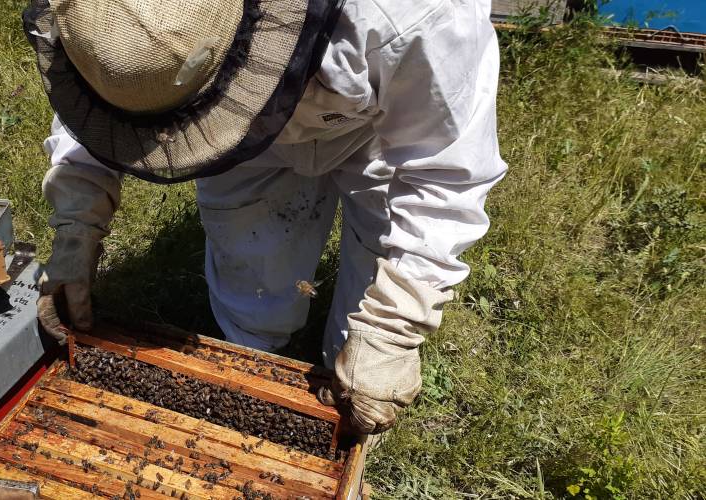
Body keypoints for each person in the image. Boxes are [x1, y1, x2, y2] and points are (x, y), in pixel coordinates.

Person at [29, 0, 506, 435]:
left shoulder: (413, 15)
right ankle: (249, 367)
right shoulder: (105, 24)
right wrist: (77, 225)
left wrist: (394, 324)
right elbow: (100, 112)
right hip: (246, 142)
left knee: (363, 344)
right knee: (251, 285)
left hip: (383, 121)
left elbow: (444, 170)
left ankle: (346, 409)